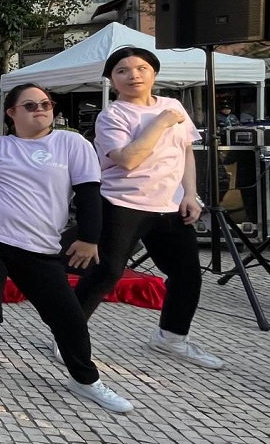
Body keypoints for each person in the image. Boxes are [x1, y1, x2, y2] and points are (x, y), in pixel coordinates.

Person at [0, 84, 133, 414]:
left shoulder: (72, 144)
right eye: (30, 105)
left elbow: (88, 194)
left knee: (68, 316)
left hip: (39, 247)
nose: (40, 109)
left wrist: (89, 238)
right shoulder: (0, 146)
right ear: (12, 113)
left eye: (45, 104)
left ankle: (85, 379)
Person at [72, 47, 223, 369]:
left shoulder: (173, 105)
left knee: (187, 275)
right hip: (122, 203)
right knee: (107, 272)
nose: (133, 75)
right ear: (112, 80)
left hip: (170, 205)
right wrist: (161, 122)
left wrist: (190, 194)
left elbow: (185, 152)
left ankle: (171, 338)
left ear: (154, 72)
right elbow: (128, 159)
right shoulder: (112, 116)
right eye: (122, 71)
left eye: (141, 68)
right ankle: (67, 335)